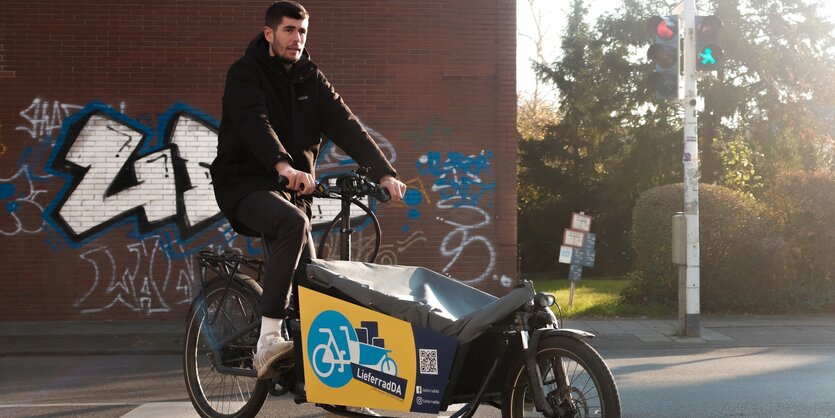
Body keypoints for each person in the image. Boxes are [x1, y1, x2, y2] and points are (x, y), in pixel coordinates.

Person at [210, 0, 406, 380]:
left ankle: (328, 381)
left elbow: (349, 126)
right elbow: (254, 122)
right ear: (269, 33)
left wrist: (384, 173)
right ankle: (267, 339)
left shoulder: (310, 79)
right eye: (288, 30)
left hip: (291, 192)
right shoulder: (244, 73)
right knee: (292, 223)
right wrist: (283, 165)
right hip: (245, 183)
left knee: (313, 282)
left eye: (302, 32)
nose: (296, 39)